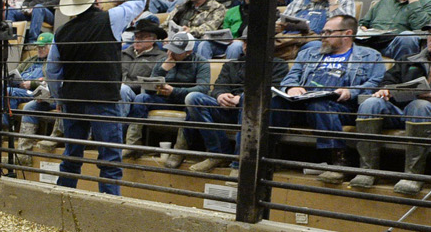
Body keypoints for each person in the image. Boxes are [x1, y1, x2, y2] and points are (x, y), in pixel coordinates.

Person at [351, 15, 431, 195]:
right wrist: (385, 90)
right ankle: (367, 171)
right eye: (430, 33)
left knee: (419, 105)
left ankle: (413, 176)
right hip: (402, 111)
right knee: (371, 103)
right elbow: (387, 81)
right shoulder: (408, 59)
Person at [275, 14, 385, 183]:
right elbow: (292, 76)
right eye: (323, 32)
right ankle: (266, 156)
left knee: (319, 104)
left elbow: (375, 83)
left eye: (328, 32)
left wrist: (351, 91)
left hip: (342, 107)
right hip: (303, 104)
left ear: (347, 34)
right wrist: (291, 87)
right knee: (272, 102)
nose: (322, 36)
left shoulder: (370, 56)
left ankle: (338, 162)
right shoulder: (309, 53)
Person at [182, 19, 295, 171]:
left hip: (258, 114)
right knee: (193, 98)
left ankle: (239, 164)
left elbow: (274, 91)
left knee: (246, 99)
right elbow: (217, 88)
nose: (247, 46)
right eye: (245, 43)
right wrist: (221, 95)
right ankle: (219, 154)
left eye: (253, 43)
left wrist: (241, 97)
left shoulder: (277, 65)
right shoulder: (231, 64)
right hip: (228, 110)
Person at [50, 0, 125, 193]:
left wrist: (59, 100)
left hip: (73, 99)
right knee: (110, 159)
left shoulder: (62, 32)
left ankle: (63, 199)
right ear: (96, 1)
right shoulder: (108, 20)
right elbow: (136, 3)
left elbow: (53, 71)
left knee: (72, 155)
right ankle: (109, 209)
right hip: (103, 98)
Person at [123, 31, 209, 167]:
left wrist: (174, 91)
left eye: (177, 52)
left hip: (183, 101)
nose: (172, 54)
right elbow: (149, 84)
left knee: (192, 105)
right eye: (171, 50)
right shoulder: (164, 60)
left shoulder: (201, 63)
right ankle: (132, 144)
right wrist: (163, 69)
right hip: (163, 99)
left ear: (189, 51)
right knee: (141, 98)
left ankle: (179, 151)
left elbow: (203, 89)